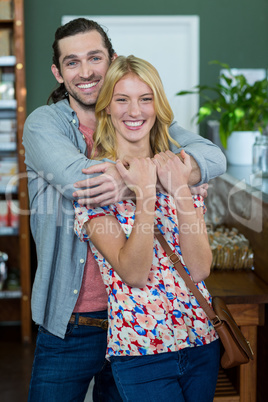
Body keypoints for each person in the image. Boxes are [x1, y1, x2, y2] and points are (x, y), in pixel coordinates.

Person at [22, 18, 225, 402]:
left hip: (145, 327)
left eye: (95, 58)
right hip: (75, 320)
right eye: (72, 62)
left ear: (111, 60)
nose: (86, 72)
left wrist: (172, 176)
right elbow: (81, 182)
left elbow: (212, 156)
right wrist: (138, 177)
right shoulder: (44, 124)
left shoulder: (144, 121)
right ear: (58, 72)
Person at [73, 54, 220, 402]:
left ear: (158, 105)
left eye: (145, 98)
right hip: (141, 352)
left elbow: (199, 268)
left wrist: (180, 187)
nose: (134, 111)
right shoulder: (95, 183)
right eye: (122, 99)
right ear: (107, 106)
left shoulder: (181, 168)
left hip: (201, 339)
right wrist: (147, 193)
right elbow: (135, 272)